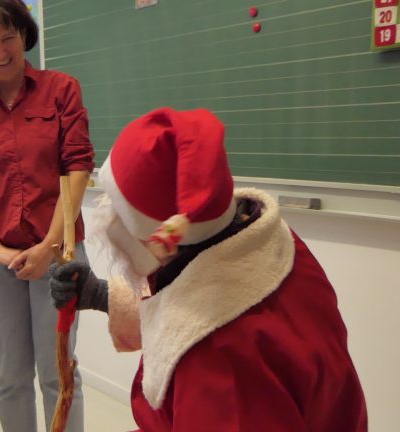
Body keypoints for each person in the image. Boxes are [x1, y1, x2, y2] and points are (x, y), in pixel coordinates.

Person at [49, 108, 368, 431]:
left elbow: (202, 323)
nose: (111, 223)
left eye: (120, 214)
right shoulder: (265, 242)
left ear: (161, 241)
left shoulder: (221, 361)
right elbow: (194, 301)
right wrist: (102, 296)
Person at [0, 1, 93, 431]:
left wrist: (48, 246)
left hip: (59, 252)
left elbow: (78, 167)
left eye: (7, 37)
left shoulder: (61, 89)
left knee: (58, 372)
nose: (0, 51)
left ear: (25, 34)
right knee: (9, 377)